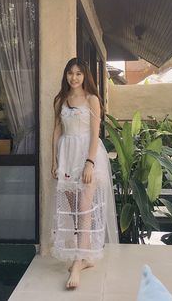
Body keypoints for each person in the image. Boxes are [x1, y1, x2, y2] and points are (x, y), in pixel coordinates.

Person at [51, 57, 118, 289]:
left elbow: (95, 133)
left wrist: (90, 162)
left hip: (87, 157)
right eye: (70, 73)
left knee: (84, 209)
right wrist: (54, 161)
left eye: (78, 73)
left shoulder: (92, 99)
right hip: (66, 157)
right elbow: (57, 131)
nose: (74, 77)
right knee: (72, 210)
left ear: (85, 75)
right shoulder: (60, 100)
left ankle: (78, 262)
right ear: (66, 75)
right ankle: (87, 256)